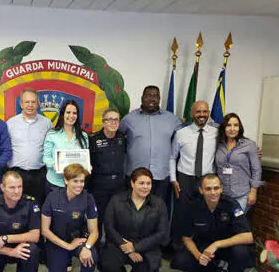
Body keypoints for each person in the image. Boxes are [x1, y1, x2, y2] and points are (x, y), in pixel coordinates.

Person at [170, 174, 254, 272]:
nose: (213, 192)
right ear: (201, 190)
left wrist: (217, 244)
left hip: (227, 247)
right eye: (208, 189)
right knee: (180, 260)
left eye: (216, 188)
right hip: (204, 248)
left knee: (241, 252)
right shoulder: (193, 207)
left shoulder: (231, 205)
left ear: (221, 189)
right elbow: (186, 237)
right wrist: (198, 255)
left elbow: (248, 236)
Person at [99, 167, 168, 272]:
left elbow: (162, 233)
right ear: (132, 183)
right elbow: (109, 226)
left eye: (148, 184)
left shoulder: (159, 204)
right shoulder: (117, 200)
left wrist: (136, 247)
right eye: (141, 183)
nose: (145, 187)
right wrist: (128, 248)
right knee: (106, 264)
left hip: (145, 249)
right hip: (120, 245)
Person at [41, 164, 99, 272]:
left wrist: (87, 247)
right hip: (57, 242)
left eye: (82, 181)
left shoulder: (88, 198)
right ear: (66, 180)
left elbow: (94, 231)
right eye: (75, 181)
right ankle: (58, 269)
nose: (79, 185)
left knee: (91, 255)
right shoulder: (52, 197)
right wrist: (67, 246)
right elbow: (45, 230)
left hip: (78, 240)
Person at [119, 86, 183, 213]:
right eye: (148, 95)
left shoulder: (173, 119)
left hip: (161, 176)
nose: (152, 99)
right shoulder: (129, 119)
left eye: (155, 96)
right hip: (135, 176)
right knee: (132, 211)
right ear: (142, 97)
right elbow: (118, 139)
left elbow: (185, 140)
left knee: (157, 212)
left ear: (159, 98)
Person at [170, 101, 217, 238]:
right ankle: (178, 247)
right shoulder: (181, 133)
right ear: (192, 114)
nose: (202, 115)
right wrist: (173, 179)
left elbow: (233, 142)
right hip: (185, 178)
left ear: (208, 113)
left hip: (207, 179)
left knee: (205, 214)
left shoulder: (217, 133)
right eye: (198, 112)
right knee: (183, 214)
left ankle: (200, 247)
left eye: (204, 112)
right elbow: (172, 157)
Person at [6, 88, 52, 205]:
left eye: (33, 102)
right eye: (27, 102)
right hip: (16, 174)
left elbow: (52, 148)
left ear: (38, 104)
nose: (30, 105)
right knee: (16, 208)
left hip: (39, 175)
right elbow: (4, 148)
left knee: (37, 207)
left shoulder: (47, 123)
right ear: (21, 104)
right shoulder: (10, 124)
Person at [89, 108, 126, 243]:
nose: (113, 122)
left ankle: (111, 253)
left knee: (115, 220)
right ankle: (96, 251)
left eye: (116, 119)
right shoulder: (93, 139)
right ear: (103, 122)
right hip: (99, 187)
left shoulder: (122, 138)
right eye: (109, 119)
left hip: (118, 187)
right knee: (97, 220)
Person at [215, 113, 262, 212]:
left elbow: (256, 169)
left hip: (242, 195)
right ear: (223, 127)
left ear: (239, 127)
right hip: (222, 195)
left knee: (237, 221)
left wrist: (254, 191)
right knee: (224, 223)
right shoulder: (218, 144)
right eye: (228, 125)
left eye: (235, 125)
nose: (232, 129)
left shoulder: (249, 145)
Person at [43, 100, 89, 191]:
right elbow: (46, 158)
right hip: (54, 184)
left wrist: (87, 166)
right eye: (68, 112)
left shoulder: (83, 136)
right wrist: (54, 165)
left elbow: (85, 158)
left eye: (74, 113)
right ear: (62, 114)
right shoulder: (52, 134)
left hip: (75, 185)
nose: (71, 116)